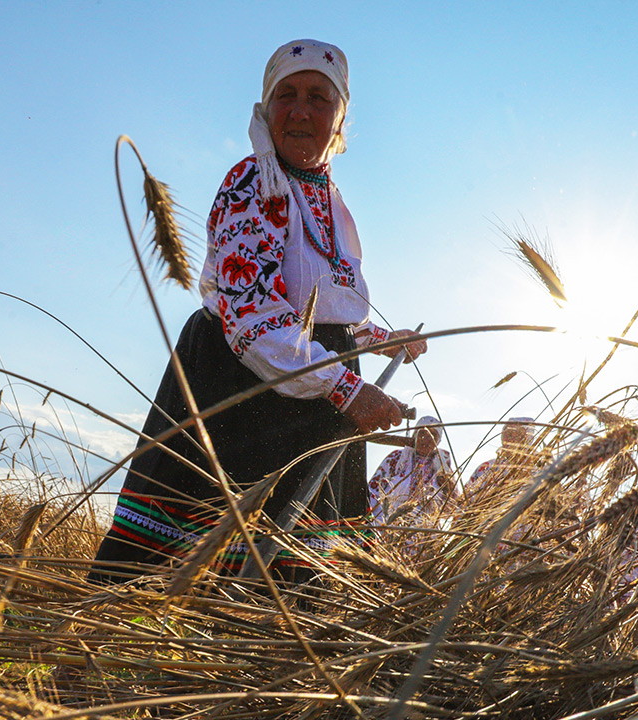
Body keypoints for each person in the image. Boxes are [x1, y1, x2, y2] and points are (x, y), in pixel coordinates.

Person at [89, 39, 426, 583]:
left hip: (310, 400)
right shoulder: (255, 184)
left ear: (340, 116)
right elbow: (252, 315)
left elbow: (335, 314)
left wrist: (381, 341)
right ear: (265, 108)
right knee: (201, 574)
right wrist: (347, 389)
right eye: (285, 95)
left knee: (289, 590)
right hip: (239, 398)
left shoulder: (333, 203)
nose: (299, 110)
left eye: (318, 97)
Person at [368, 415, 460, 525]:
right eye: (422, 433)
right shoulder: (397, 458)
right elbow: (372, 492)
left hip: (424, 535)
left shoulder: (442, 468)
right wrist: (376, 523)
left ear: (438, 441)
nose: (426, 439)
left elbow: (452, 510)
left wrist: (448, 487)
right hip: (388, 528)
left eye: (433, 435)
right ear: (414, 435)